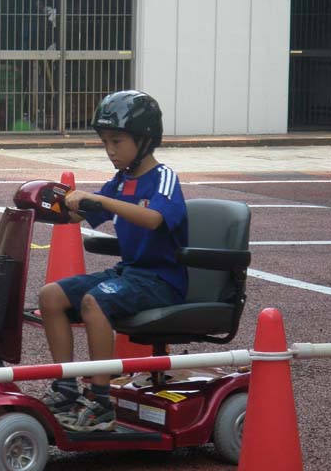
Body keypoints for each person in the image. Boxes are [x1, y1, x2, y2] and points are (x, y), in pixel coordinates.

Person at [38, 90, 188, 431]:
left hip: (163, 282)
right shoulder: (121, 182)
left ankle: (100, 401)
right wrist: (45, 204)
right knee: (50, 296)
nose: (110, 150)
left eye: (117, 141)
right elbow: (82, 215)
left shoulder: (163, 178)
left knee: (94, 301)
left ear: (145, 138)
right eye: (105, 142)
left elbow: (154, 219)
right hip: (131, 274)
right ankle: (65, 389)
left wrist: (98, 200)